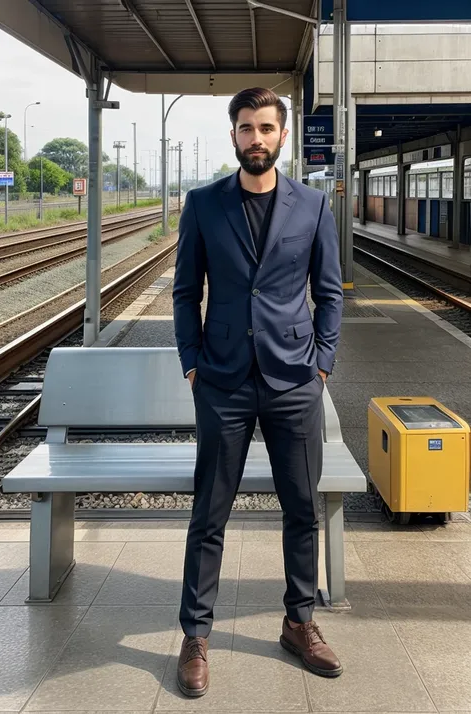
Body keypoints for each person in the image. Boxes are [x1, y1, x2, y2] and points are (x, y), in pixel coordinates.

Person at [173, 87, 344, 697]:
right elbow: (185, 290)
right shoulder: (203, 204)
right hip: (222, 381)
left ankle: (300, 622)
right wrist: (192, 362)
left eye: (266, 128)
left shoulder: (313, 206)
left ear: (282, 135)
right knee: (208, 515)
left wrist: (322, 362)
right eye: (246, 128)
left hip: (294, 380)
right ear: (234, 136)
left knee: (302, 509)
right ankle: (196, 635)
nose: (256, 138)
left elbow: (329, 291)